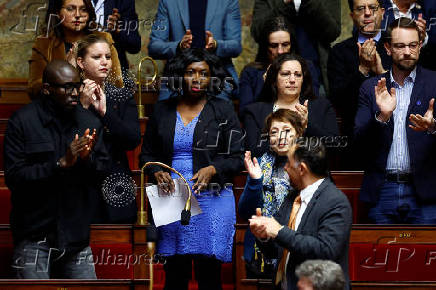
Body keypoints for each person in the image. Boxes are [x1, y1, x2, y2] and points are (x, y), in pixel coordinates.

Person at [139, 48, 244, 290]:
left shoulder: (223, 109)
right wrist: (156, 171)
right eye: (190, 72)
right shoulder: (163, 110)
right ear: (179, 75)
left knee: (210, 276)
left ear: (212, 78)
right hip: (172, 196)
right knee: (175, 273)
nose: (197, 79)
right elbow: (146, 155)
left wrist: (214, 169)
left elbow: (237, 157)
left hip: (213, 197)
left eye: (203, 73)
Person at [4, 60, 108, 278]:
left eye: (77, 86)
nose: (74, 92)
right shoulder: (22, 122)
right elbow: (15, 178)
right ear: (47, 89)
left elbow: (103, 176)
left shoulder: (88, 122)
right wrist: (60, 164)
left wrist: (87, 159)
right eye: (66, 87)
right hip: (34, 234)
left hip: (75, 234)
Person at [354, 17, 436, 224]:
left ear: (419, 46)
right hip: (382, 190)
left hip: (426, 192)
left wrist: (433, 128)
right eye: (400, 46)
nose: (407, 51)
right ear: (388, 48)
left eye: (412, 45)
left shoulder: (434, 83)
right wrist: (382, 116)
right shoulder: (371, 87)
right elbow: (358, 142)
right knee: (380, 255)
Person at [248, 143, 352, 290]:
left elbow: (326, 250)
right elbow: (277, 248)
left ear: (302, 168)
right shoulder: (292, 198)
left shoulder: (335, 201)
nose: (284, 168)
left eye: (288, 163)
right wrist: (264, 236)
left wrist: (279, 231)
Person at [76, 33, 141, 223]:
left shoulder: (122, 95)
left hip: (116, 182)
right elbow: (64, 138)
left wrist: (106, 113)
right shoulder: (70, 94)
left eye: (108, 57)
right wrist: (83, 107)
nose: (104, 62)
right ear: (81, 62)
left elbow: (132, 140)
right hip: (82, 184)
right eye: (96, 57)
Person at [239, 109, 304, 278]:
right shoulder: (259, 163)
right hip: (260, 250)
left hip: (298, 248)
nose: (280, 136)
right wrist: (255, 181)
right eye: (274, 132)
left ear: (298, 133)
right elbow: (246, 212)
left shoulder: (309, 165)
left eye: (286, 130)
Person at [328, 0, 391, 169]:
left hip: (394, 137)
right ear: (352, 15)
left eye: (373, 8)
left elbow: (406, 91)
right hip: (355, 141)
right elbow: (338, 99)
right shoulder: (339, 51)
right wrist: (362, 69)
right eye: (361, 9)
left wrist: (380, 72)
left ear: (383, 12)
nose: (368, 13)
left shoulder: (396, 46)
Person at [242, 53, 339, 158]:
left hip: (310, 172)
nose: (292, 80)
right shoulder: (254, 111)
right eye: (285, 74)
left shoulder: (322, 106)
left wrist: (307, 127)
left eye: (298, 75)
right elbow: (252, 152)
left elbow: (336, 148)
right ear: (274, 79)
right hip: (268, 173)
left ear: (303, 79)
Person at [147, 0, 242, 100]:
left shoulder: (228, 1)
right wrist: (178, 46)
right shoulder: (168, 2)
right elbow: (154, 47)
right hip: (177, 78)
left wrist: (216, 45)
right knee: (163, 113)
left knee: (219, 112)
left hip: (217, 76)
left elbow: (235, 47)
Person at [28, 0, 123, 99]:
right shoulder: (44, 44)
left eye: (83, 9)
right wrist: (67, 68)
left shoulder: (104, 39)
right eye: (70, 9)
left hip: (98, 108)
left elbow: (117, 84)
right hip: (58, 112)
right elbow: (34, 89)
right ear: (57, 13)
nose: (78, 15)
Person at [250, 0, 341, 96]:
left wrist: (311, 3)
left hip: (316, 75)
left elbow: (333, 32)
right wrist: (283, 3)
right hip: (274, 76)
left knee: (315, 108)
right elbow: (257, 32)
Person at [239, 16, 319, 113]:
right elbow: (245, 113)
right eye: (273, 46)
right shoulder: (251, 72)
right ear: (265, 46)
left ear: (292, 45)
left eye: (285, 44)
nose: (280, 51)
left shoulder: (306, 67)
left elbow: (314, 107)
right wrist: (266, 87)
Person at [90, 0, 141, 70]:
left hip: (112, 71)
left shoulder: (122, 2)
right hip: (77, 69)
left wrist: (118, 31)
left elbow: (135, 45)